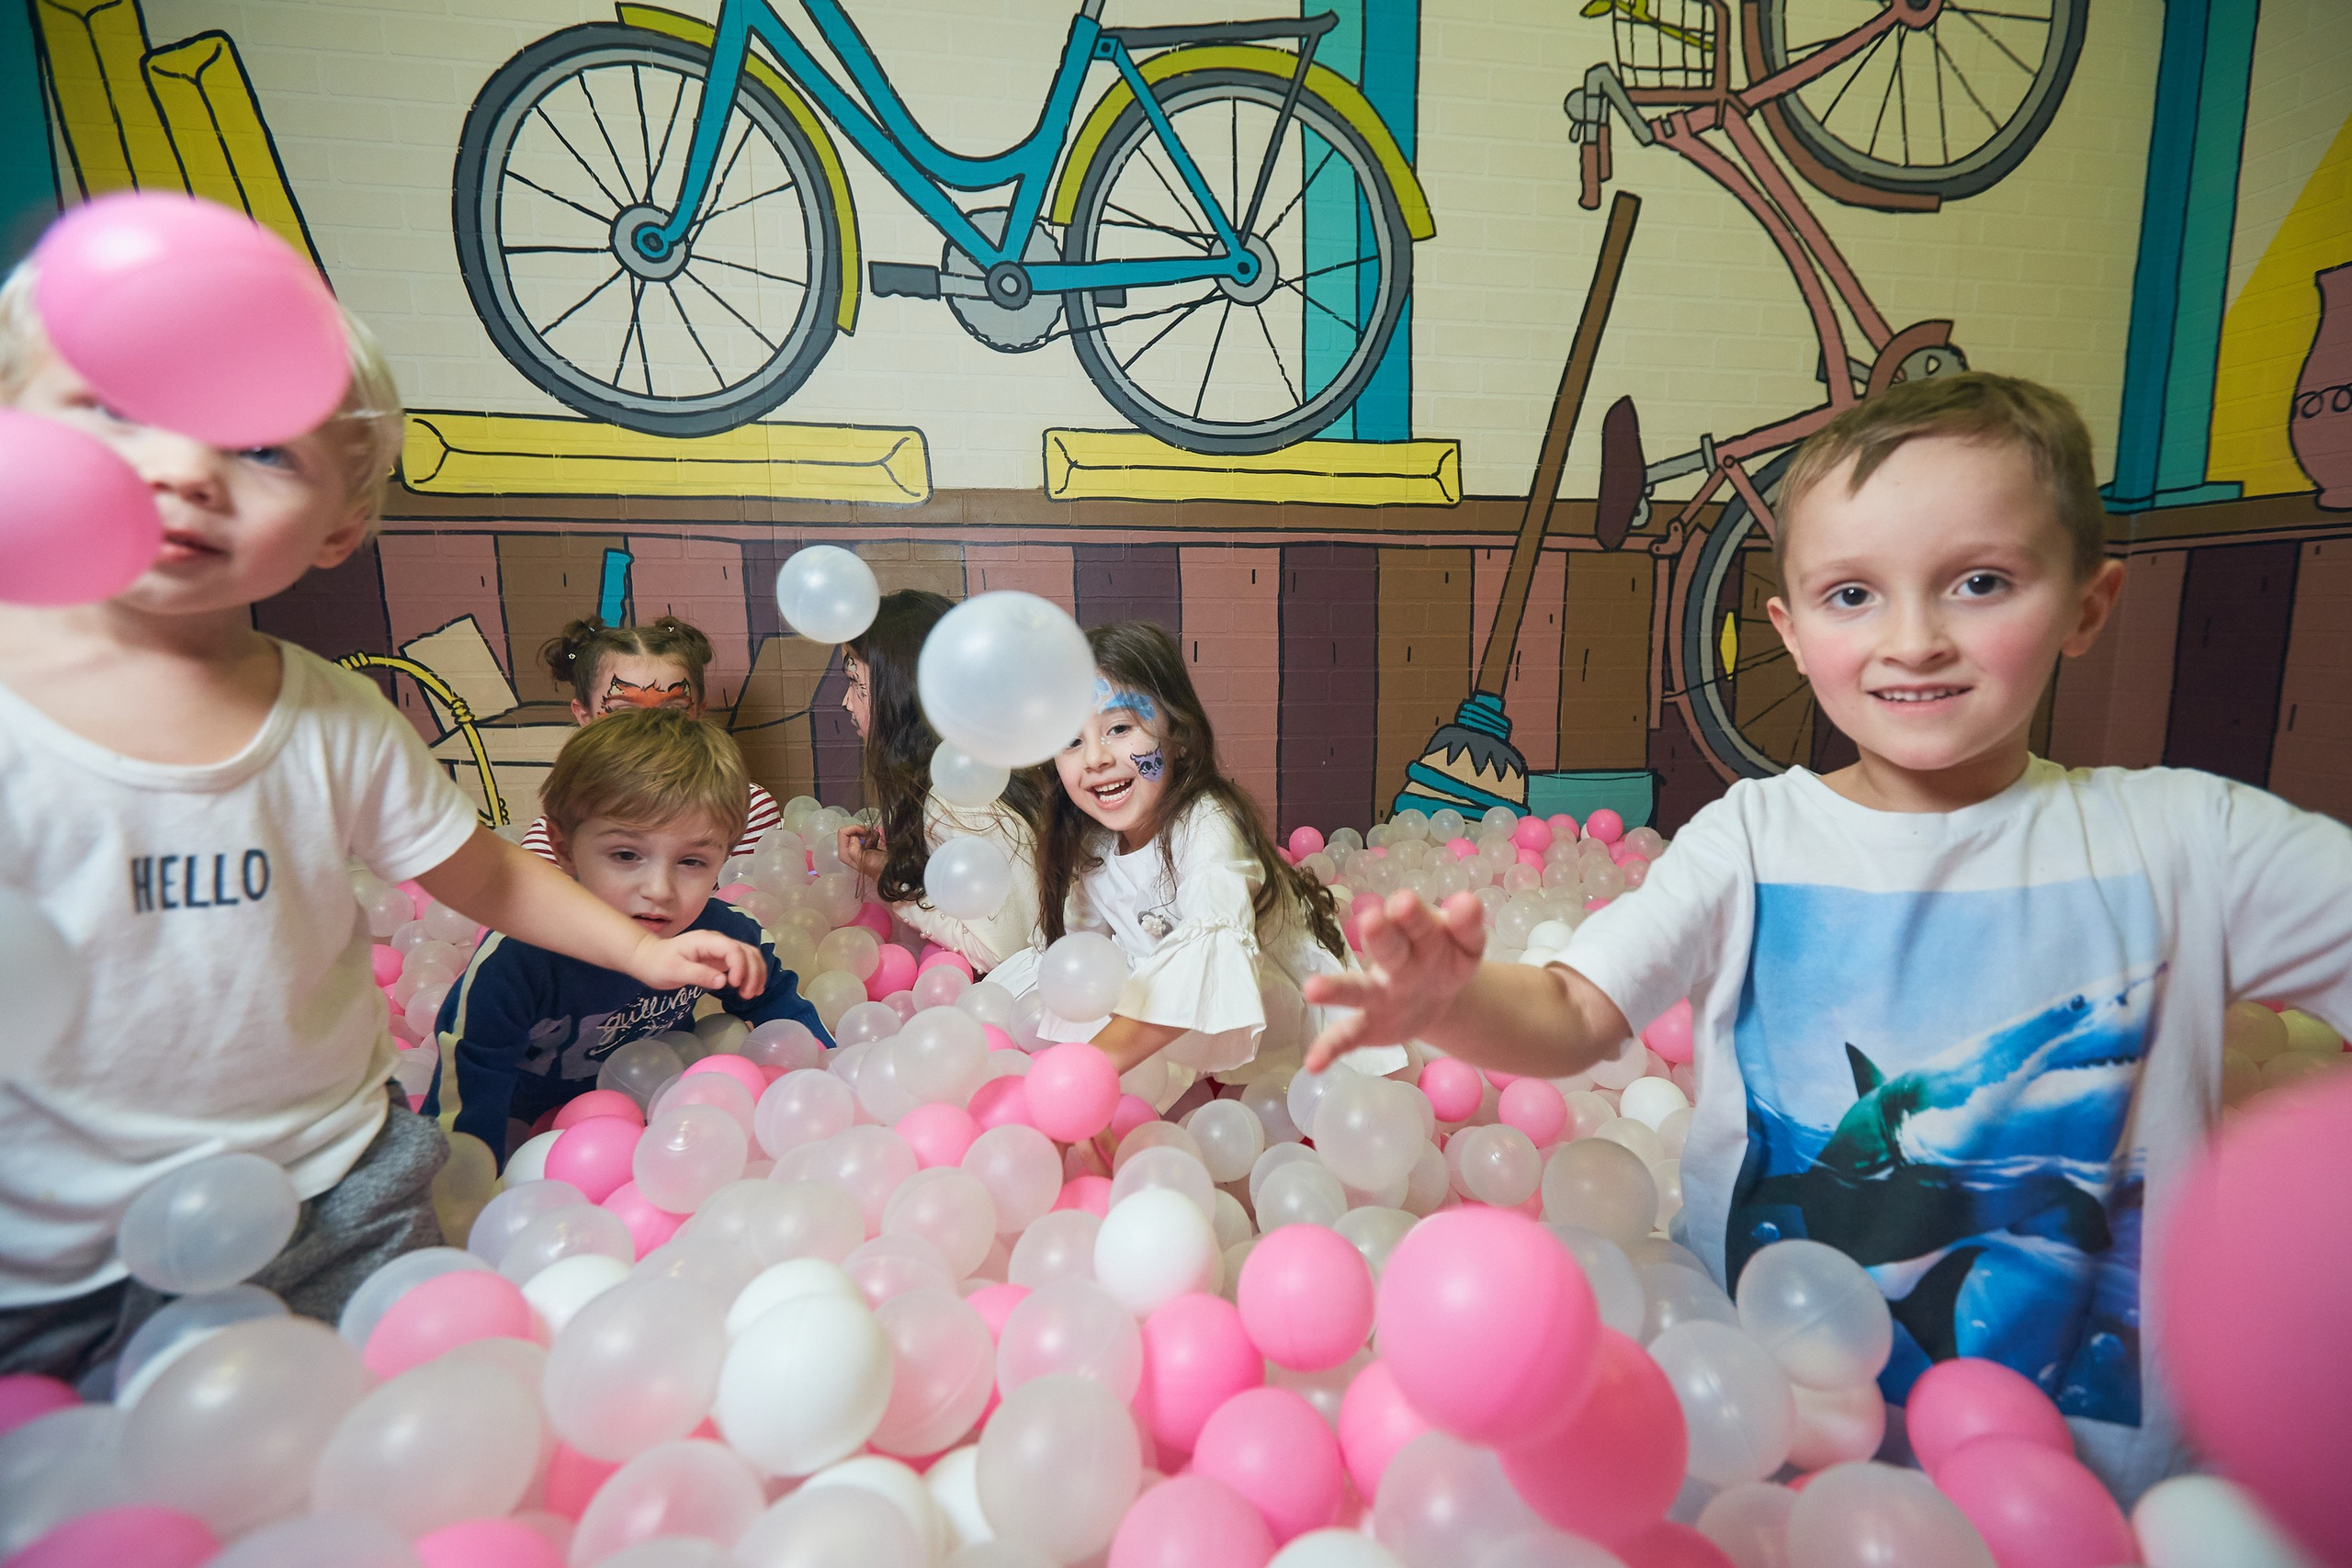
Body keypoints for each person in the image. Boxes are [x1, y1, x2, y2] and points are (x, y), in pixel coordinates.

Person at [1303, 372, 2352, 1503]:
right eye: (1852, 596)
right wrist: (1449, 1003)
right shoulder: (1750, 837)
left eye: (1979, 582)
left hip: (2100, 1487)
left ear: (2086, 606)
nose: (1913, 639)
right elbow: (1571, 1013)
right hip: (1775, 1450)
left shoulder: (2188, 841)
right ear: (1788, 633)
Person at [0, 265, 766, 1385]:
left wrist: (645, 951)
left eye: (262, 451)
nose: (187, 470)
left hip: (333, 1191)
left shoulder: (334, 720)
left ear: (340, 523)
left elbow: (490, 877)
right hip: (57, 1249)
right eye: (120, 412)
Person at [427, 709, 830, 1163]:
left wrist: (827, 1082)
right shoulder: (518, 960)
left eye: (692, 862)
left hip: (663, 1128)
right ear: (564, 849)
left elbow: (778, 1003)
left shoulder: (723, 933)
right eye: (625, 855)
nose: (658, 890)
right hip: (534, 1143)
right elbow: (467, 1089)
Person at [1023, 620, 1403, 1096]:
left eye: (1119, 728)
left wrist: (1087, 1073)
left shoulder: (1207, 823)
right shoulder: (1091, 846)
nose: (1095, 758)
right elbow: (1082, 964)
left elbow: (1214, 952)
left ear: (1178, 737)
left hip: (1279, 1026)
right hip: (1175, 1026)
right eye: (1071, 741)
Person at [833, 590, 1046, 974]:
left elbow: (1000, 952)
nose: (847, 703)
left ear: (899, 688)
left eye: (855, 681)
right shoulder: (978, 764)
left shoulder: (955, 799)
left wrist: (892, 880)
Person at [516, 616, 780, 862]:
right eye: (626, 711)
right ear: (585, 717)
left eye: (672, 710)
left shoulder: (747, 808)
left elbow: (746, 902)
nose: (651, 728)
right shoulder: (563, 828)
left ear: (699, 712)